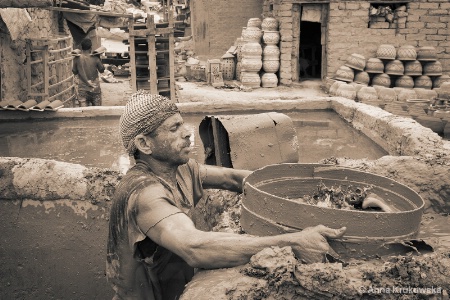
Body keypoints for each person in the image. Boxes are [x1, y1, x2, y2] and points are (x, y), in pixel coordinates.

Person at [106, 91, 346, 300]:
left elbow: (234, 179)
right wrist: (293, 241)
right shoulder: (143, 192)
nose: (187, 133)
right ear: (144, 144)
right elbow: (194, 247)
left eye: (182, 124)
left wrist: (316, 191)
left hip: (175, 288)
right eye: (174, 128)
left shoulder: (180, 169)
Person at [72, 38, 105, 106]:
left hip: (82, 89)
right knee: (97, 111)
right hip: (95, 88)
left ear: (81, 47)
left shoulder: (76, 58)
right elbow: (102, 70)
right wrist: (99, 58)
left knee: (84, 113)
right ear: (91, 48)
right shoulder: (95, 58)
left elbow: (74, 72)